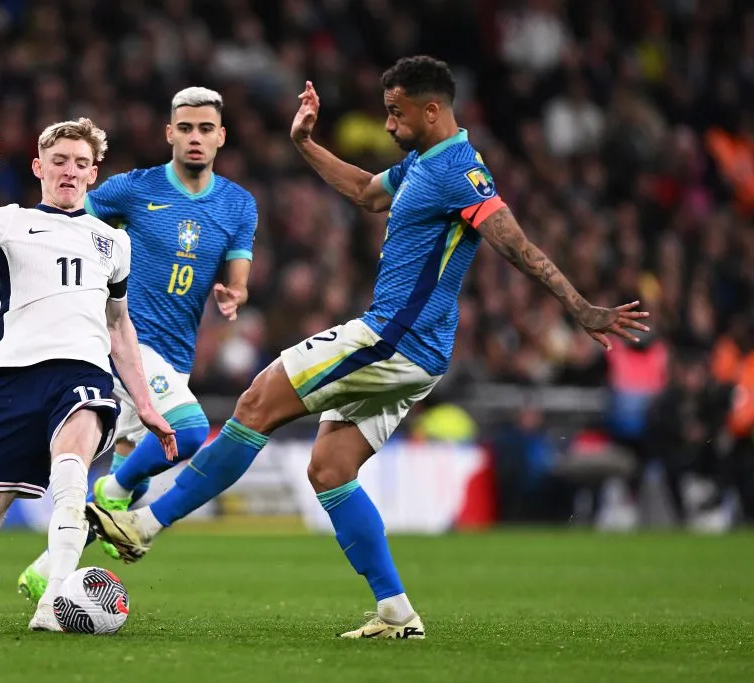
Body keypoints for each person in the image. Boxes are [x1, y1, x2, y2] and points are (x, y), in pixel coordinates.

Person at [85, 56, 649, 639]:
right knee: (330, 469)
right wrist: (306, 143)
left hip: (392, 338)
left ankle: (145, 525)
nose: (387, 124)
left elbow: (515, 243)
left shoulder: (459, 171)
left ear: (432, 111)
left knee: (256, 404)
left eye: (396, 113)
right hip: (419, 354)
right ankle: (396, 612)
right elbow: (364, 191)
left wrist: (579, 305)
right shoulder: (421, 164)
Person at [0, 119, 176, 632]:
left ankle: (54, 599)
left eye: (81, 164)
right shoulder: (8, 223)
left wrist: (144, 403)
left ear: (93, 175)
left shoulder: (112, 242)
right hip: (13, 385)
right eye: (59, 161)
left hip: (82, 373)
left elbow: (119, 326)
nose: (69, 171)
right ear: (39, 167)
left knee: (72, 472)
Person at [17, 86, 258, 600]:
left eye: (205, 129)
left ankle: (45, 568)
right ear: (170, 133)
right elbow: (70, 220)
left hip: (176, 355)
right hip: (124, 340)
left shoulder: (239, 204)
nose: (195, 137)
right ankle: (111, 490)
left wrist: (233, 293)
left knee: (141, 472)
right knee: (189, 432)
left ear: (221, 136)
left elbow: (239, 270)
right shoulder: (132, 188)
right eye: (186, 128)